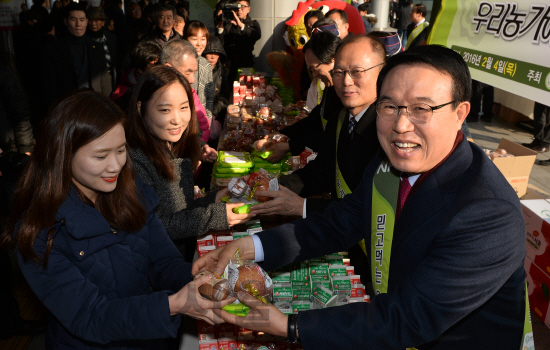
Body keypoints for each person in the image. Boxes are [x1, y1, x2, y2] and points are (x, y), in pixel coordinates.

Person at [194, 45, 528, 350]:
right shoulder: (386, 169)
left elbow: (408, 319)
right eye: (389, 106)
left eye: (421, 109)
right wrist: (252, 246)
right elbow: (338, 225)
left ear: (460, 113)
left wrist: (290, 325)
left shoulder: (487, 211)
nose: (400, 125)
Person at [1, 90, 233, 349]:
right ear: (63, 155)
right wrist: (172, 304)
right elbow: (90, 316)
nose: (115, 165)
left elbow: (162, 261)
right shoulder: (39, 230)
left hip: (148, 335)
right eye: (100, 156)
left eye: (121, 150)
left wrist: (201, 280)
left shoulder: (129, 188)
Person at [126, 66, 252, 261]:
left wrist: (215, 197)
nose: (178, 119)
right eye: (165, 110)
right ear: (141, 109)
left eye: (184, 107)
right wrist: (215, 216)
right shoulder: (134, 160)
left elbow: (180, 211)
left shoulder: (171, 145)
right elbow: (155, 226)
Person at [159, 39, 213, 147]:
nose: (192, 80)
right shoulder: (152, 96)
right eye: (187, 73)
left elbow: (203, 124)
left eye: (194, 72)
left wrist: (200, 148)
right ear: (168, 68)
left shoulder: (190, 93)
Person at [56, 3, 112, 96]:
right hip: (68, 103)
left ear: (86, 21)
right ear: (65, 21)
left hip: (94, 102)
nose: (78, 24)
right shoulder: (55, 48)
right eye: (73, 19)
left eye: (81, 20)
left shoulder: (96, 46)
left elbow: (104, 80)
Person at [215, 0, 261, 81]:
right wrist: (220, 24)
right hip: (228, 66)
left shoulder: (253, 24)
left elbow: (256, 35)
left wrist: (241, 25)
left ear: (248, 9)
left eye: (243, 7)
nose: (239, 9)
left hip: (245, 65)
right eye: (237, 7)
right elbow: (219, 43)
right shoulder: (227, 24)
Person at [111, 40, 161, 112]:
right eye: (153, 64)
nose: (158, 67)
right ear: (140, 70)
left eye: (158, 63)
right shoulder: (122, 92)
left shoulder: (163, 82)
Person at [184, 20, 215, 127]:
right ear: (185, 39)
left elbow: (209, 96)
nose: (199, 43)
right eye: (194, 39)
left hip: (201, 122)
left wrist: (208, 119)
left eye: (203, 39)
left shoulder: (205, 64)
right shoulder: (179, 63)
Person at [302, 31, 341, 111]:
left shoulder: (349, 90)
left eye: (314, 69)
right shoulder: (317, 84)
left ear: (333, 59)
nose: (314, 75)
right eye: (310, 70)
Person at [86, 6, 119, 96]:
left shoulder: (111, 37)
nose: (93, 23)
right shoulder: (85, 39)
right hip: (93, 79)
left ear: (103, 22)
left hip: (110, 76)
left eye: (97, 20)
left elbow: (115, 59)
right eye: (91, 20)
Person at [202, 36, 230, 127]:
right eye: (209, 53)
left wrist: (212, 112)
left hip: (216, 117)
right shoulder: (195, 71)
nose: (213, 57)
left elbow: (224, 98)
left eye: (216, 53)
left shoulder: (222, 74)